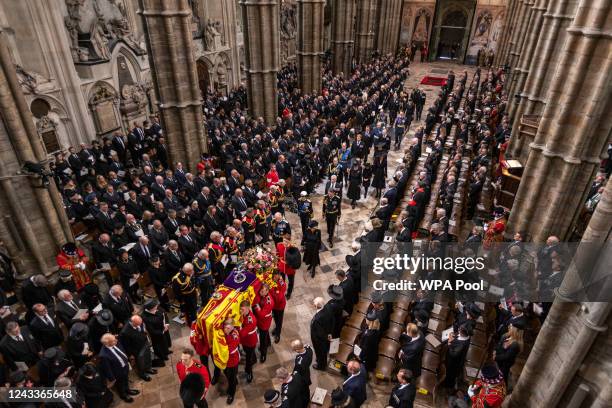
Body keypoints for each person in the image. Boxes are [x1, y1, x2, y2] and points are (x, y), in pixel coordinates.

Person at [98, 333, 140, 403]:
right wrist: (112, 378)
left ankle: (128, 390)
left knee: (126, 379)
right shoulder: (103, 355)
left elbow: (122, 350)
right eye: (114, 341)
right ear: (108, 343)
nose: (116, 341)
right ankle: (123, 395)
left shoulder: (115, 343)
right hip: (117, 372)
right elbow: (107, 368)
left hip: (125, 366)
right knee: (120, 384)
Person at [119, 314, 156, 381]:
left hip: (144, 343)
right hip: (137, 349)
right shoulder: (124, 332)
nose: (139, 325)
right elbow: (126, 345)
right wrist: (130, 354)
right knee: (140, 363)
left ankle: (148, 368)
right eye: (137, 324)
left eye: (140, 323)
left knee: (148, 356)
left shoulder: (139, 321)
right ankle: (142, 374)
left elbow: (142, 329)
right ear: (132, 322)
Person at [141, 298, 172, 365]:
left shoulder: (157, 307)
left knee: (166, 341)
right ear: (151, 308)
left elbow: (164, 314)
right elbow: (151, 330)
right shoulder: (145, 317)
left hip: (164, 329)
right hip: (157, 334)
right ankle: (163, 356)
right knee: (159, 346)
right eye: (155, 306)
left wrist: (166, 324)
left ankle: (166, 351)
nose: (157, 307)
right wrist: (162, 332)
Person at [443, 325, 471, 389]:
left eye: (459, 330)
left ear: (462, 333)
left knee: (450, 375)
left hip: (453, 363)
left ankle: (448, 387)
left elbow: (453, 354)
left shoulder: (461, 344)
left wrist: (449, 343)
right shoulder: (466, 337)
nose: (458, 331)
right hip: (455, 361)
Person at [310, 297, 334, 370]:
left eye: (314, 303)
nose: (313, 304)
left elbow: (320, 333)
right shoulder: (328, 308)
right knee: (324, 350)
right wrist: (330, 333)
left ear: (317, 306)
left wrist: (325, 337)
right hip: (327, 334)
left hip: (319, 340)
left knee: (320, 352)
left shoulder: (318, 318)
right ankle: (320, 359)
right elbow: (333, 321)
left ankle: (321, 366)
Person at [253, 284, 274, 363]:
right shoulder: (262, 295)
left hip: (264, 322)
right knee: (265, 334)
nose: (260, 293)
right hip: (261, 320)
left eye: (262, 291)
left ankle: (263, 354)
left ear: (267, 291)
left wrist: (256, 306)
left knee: (262, 339)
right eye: (260, 291)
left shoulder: (269, 301)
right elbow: (257, 298)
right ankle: (268, 342)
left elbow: (262, 314)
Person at [238, 300, 258, 383]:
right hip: (246, 341)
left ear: (248, 308)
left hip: (250, 342)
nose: (241, 311)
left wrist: (237, 327)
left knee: (248, 360)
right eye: (240, 309)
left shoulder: (250, 320)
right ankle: (254, 359)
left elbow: (242, 333)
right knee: (249, 353)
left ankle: (249, 373)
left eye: (242, 309)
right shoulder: (244, 314)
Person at [276, 233, 296, 298]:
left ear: (289, 241)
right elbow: (278, 254)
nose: (284, 243)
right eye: (284, 240)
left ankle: (289, 293)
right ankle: (282, 291)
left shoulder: (292, 248)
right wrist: (278, 261)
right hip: (281, 267)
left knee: (291, 282)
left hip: (290, 268)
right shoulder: (279, 245)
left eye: (286, 241)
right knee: (282, 281)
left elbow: (295, 259)